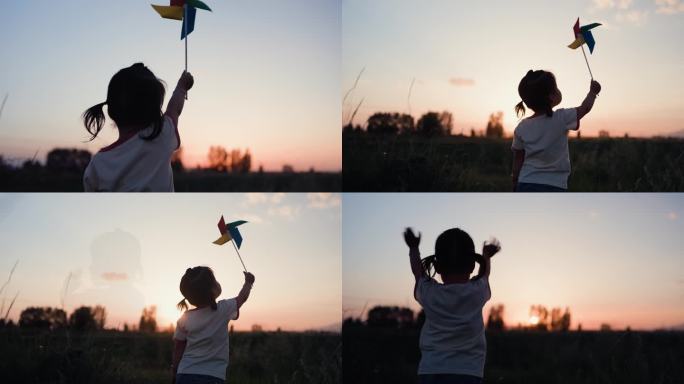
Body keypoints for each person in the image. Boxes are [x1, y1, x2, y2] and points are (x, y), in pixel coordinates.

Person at [404, 227, 501, 384]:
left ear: (436, 267)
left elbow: (418, 273)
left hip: (431, 372)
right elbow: (485, 274)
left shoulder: (430, 293)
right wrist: (486, 256)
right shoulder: (477, 292)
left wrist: (413, 248)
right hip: (469, 373)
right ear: (472, 266)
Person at [82, 63, 193, 191]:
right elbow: (174, 109)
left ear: (111, 111)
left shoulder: (98, 165)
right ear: (154, 109)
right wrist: (182, 86)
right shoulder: (163, 136)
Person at [511, 70, 601, 191]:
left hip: (526, 183)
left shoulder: (521, 127)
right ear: (551, 96)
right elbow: (584, 109)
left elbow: (518, 159)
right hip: (555, 185)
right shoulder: (561, 117)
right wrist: (592, 93)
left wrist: (515, 180)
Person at [172, 267, 255, 384]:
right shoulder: (223, 309)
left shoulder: (184, 319)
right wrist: (248, 283)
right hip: (213, 376)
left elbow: (178, 348)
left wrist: (175, 370)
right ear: (211, 291)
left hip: (185, 374)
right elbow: (242, 297)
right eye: (215, 281)